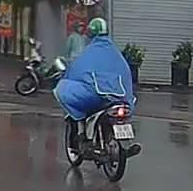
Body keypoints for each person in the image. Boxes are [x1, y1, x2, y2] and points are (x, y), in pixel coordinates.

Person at [54, 17, 137, 150]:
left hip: (96, 97)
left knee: (63, 88)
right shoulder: (115, 53)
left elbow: (75, 72)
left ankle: (83, 136)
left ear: (90, 33)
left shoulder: (89, 52)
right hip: (120, 97)